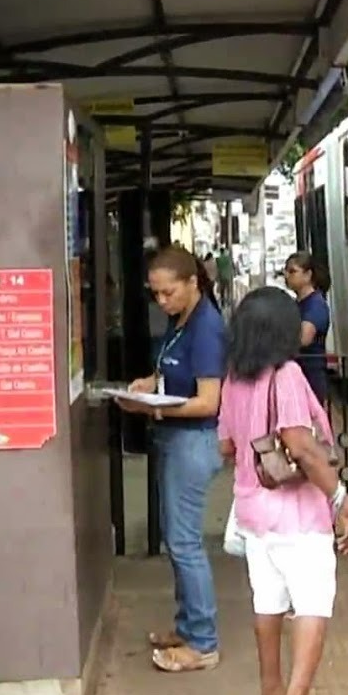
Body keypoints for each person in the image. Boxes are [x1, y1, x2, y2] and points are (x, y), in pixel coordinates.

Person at [219, 287, 348, 695]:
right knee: (313, 601)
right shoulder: (287, 376)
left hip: (253, 510)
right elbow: (301, 446)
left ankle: (270, 694)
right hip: (296, 513)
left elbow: (226, 446)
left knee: (268, 600)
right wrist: (340, 498)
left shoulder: (234, 378)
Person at [121, 244, 228, 673]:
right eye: (156, 294)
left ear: (192, 283)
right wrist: (148, 384)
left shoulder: (207, 328)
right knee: (177, 538)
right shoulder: (181, 323)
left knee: (184, 543)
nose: (162, 301)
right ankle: (187, 627)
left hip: (193, 441)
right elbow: (171, 374)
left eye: (168, 292)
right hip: (175, 438)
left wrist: (154, 408)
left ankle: (202, 641)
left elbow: (208, 402)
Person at [283, 251, 332, 404]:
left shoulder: (315, 305)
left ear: (308, 274)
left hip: (311, 378)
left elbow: (304, 338)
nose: (286, 276)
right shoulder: (297, 304)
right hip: (298, 377)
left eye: (292, 271)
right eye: (286, 271)